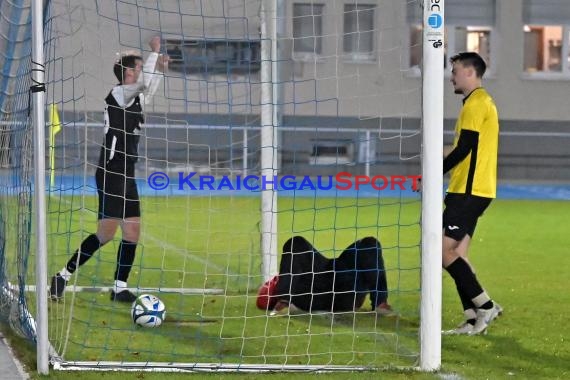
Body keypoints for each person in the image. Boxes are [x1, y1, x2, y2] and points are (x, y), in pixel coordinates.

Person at [50, 36, 169, 302]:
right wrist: (155, 53)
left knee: (133, 231)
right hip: (112, 172)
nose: (140, 72)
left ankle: (119, 286)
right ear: (128, 72)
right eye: (137, 67)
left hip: (126, 173)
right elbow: (145, 84)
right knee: (105, 234)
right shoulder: (118, 94)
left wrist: (158, 68)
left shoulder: (135, 97)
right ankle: (62, 276)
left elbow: (148, 88)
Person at [441, 52, 502, 335]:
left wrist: (433, 173)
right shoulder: (477, 103)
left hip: (470, 191)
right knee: (458, 255)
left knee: (442, 251)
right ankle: (471, 319)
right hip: (471, 190)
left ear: (469, 72)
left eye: (454, 70)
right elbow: (466, 150)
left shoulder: (477, 104)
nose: (451, 75)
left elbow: (464, 148)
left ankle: (486, 306)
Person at [257, 236, 393, 315]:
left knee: (296, 243)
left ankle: (284, 301)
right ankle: (380, 303)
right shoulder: (292, 280)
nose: (271, 281)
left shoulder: (294, 277)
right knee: (369, 244)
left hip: (319, 293)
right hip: (340, 287)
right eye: (270, 283)